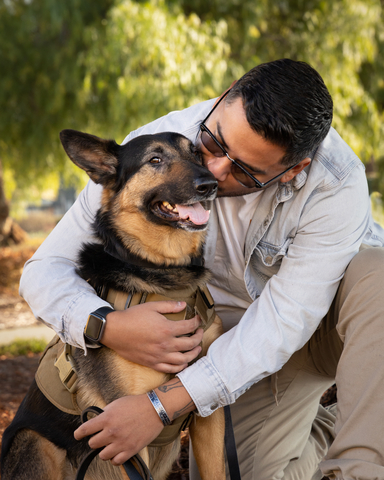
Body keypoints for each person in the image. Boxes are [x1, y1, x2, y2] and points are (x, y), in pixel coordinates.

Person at [20, 58, 384, 479]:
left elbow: (281, 326)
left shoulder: (335, 185)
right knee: (245, 472)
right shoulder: (152, 150)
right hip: (221, 338)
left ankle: (362, 461)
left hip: (316, 328)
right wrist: (108, 326)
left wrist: (161, 404)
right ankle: (334, 421)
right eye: (213, 142)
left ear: (293, 170)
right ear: (227, 93)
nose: (211, 173)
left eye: (245, 170)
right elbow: (44, 270)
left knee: (377, 275)